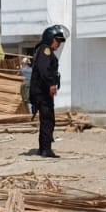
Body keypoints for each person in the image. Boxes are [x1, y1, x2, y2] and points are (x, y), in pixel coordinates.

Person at [29, 24, 66, 158]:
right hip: (42, 92)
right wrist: (51, 84)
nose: (58, 44)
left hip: (41, 91)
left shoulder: (44, 50)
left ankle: (44, 147)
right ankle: (45, 149)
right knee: (47, 119)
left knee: (47, 119)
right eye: (57, 41)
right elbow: (45, 71)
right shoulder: (45, 50)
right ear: (50, 38)